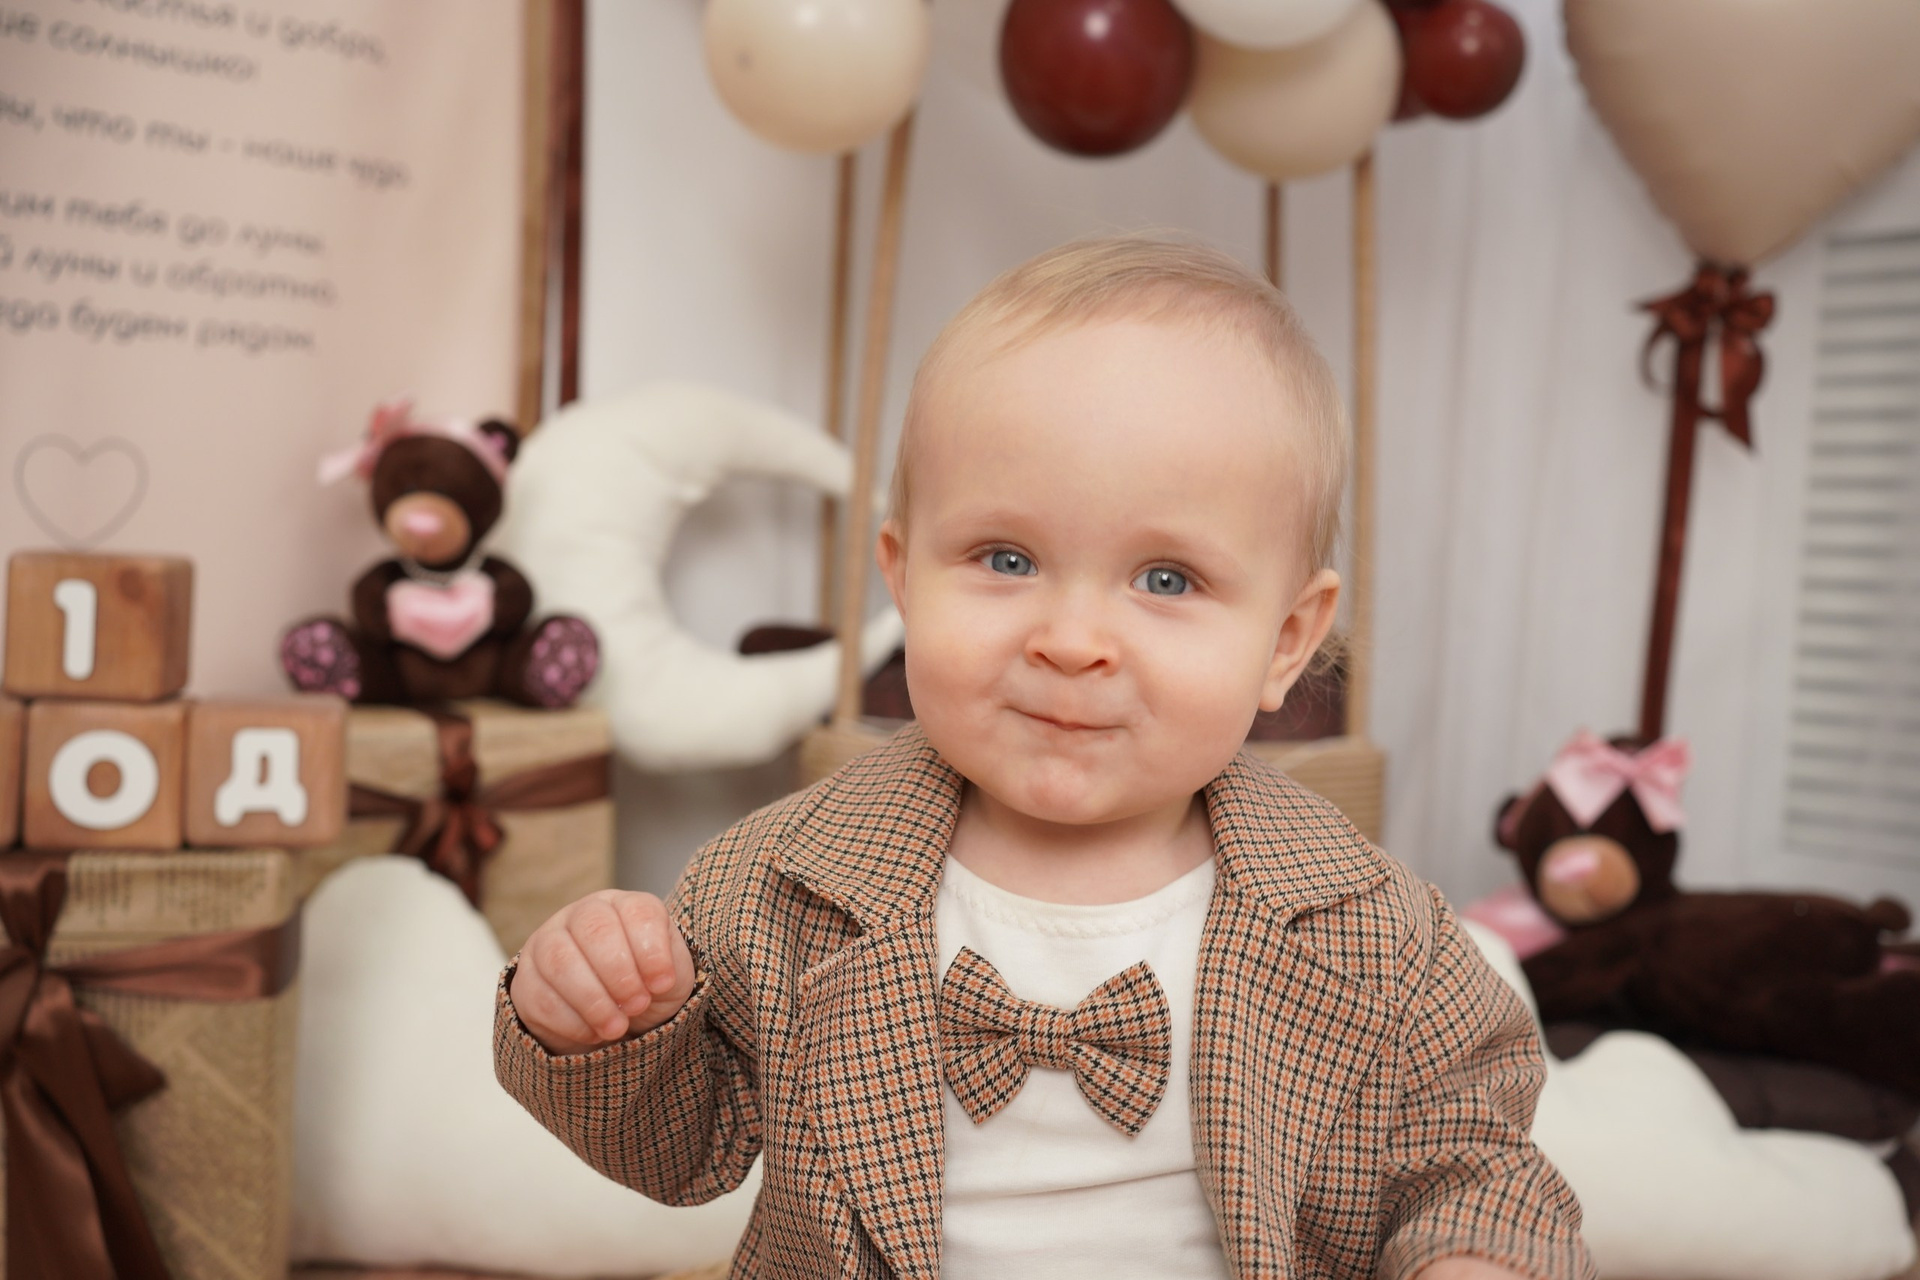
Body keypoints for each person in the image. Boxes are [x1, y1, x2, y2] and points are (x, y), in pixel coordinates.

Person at [494, 235, 1594, 1280]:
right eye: (1006, 558)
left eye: (1166, 579)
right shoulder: (779, 881)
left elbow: (1469, 1151)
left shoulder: (1373, 929)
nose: (1071, 640)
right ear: (903, 577)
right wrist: (603, 1022)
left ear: (1287, 640)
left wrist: (1473, 1252)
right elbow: (680, 1151)